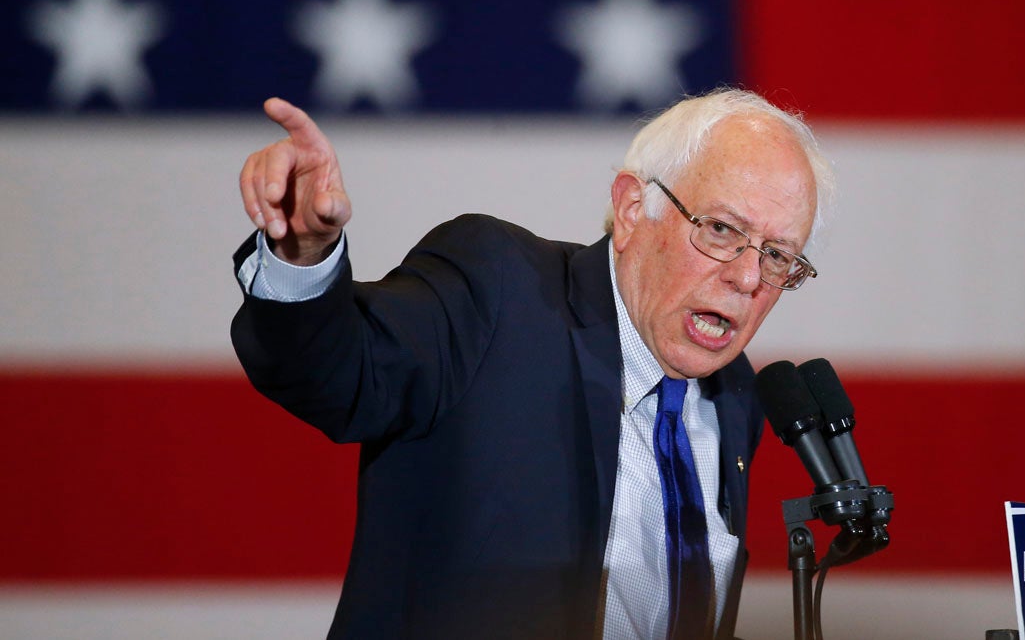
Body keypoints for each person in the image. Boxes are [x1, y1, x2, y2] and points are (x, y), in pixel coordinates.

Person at [231, 88, 833, 639]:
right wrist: (303, 253)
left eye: (780, 256)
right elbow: (338, 376)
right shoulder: (499, 290)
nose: (749, 278)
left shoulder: (737, 401)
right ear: (631, 210)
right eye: (723, 229)